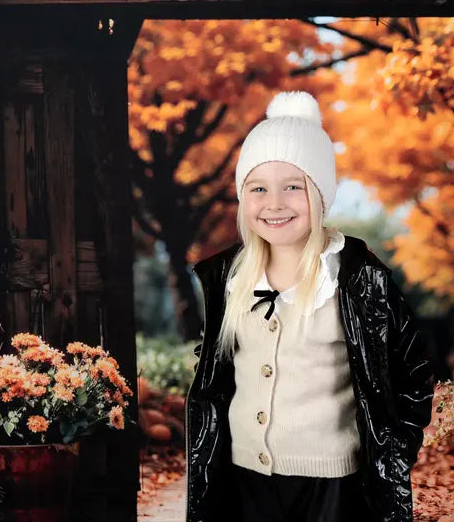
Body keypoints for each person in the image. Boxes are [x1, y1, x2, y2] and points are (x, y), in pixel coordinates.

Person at [184, 90, 436, 522]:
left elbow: (414, 369)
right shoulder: (229, 278)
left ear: (319, 194)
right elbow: (215, 373)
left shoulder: (357, 278)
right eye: (258, 188)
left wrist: (393, 450)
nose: (275, 203)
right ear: (243, 198)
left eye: (293, 187)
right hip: (244, 479)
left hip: (331, 488)